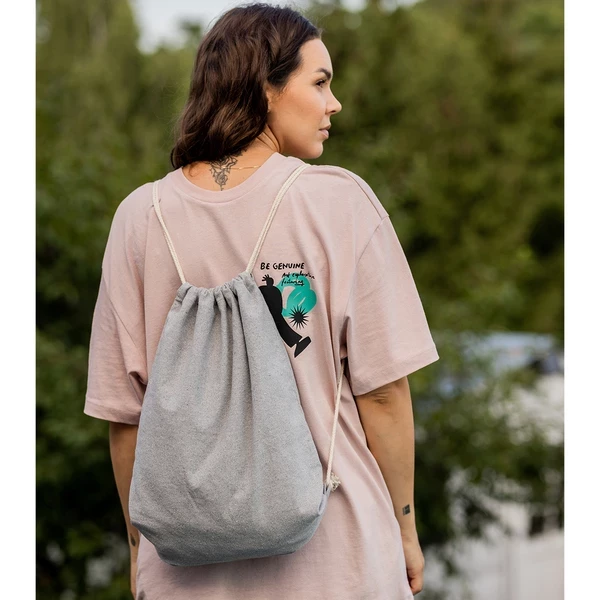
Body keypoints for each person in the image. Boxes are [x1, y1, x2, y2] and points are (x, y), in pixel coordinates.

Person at [84, 3, 439, 599]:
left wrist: (139, 549)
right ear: (265, 88)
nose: (334, 104)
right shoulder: (339, 204)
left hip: (185, 577)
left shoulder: (140, 216)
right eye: (319, 83)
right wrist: (404, 527)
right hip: (340, 562)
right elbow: (382, 393)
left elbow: (125, 417)